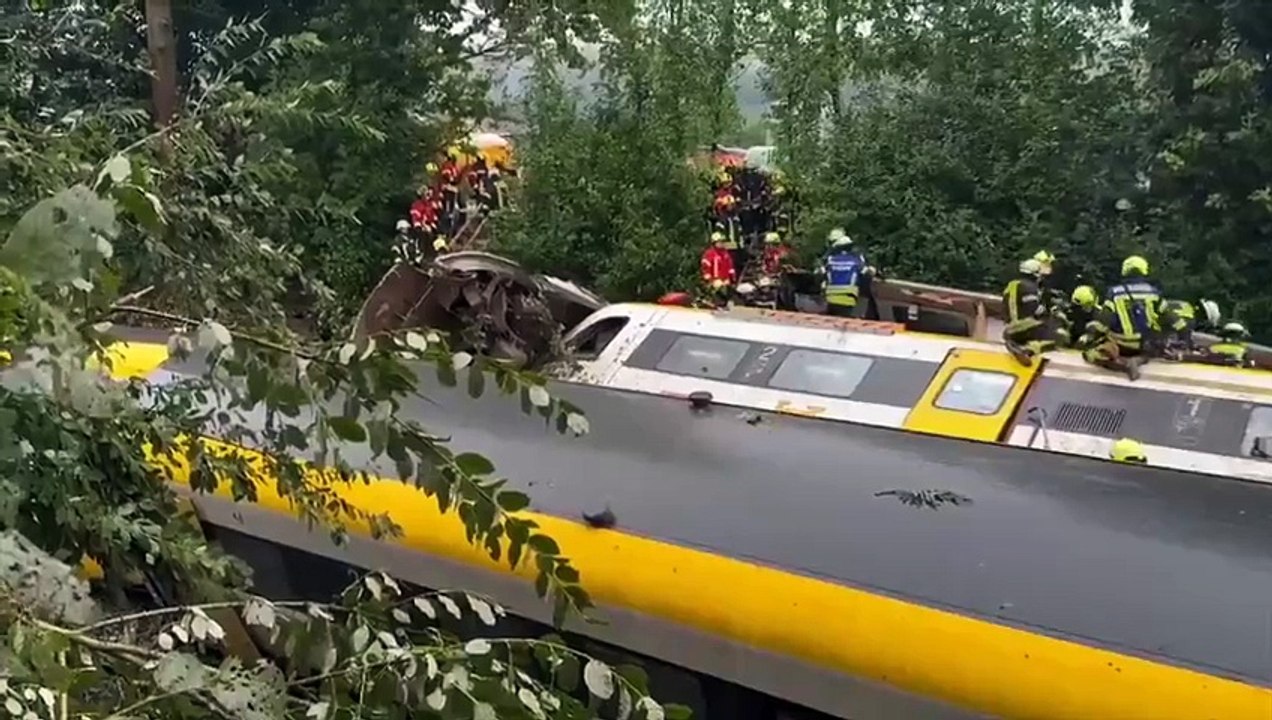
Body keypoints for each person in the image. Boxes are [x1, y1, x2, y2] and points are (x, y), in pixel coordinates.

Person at [1002, 258, 1060, 365]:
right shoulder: (1029, 287)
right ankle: (1028, 351)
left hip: (1009, 328)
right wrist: (1050, 309)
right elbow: (1035, 310)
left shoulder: (1012, 285)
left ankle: (1018, 343)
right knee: (1055, 335)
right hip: (1022, 326)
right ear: (1034, 274)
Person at [820, 229, 873, 318]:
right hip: (849, 299)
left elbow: (820, 273)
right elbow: (867, 273)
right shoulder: (856, 259)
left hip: (830, 299)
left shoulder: (830, 259)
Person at [700, 233, 736, 304]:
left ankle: (725, 303)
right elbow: (705, 267)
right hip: (714, 280)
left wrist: (732, 278)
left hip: (725, 279)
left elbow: (730, 267)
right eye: (720, 242)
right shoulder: (710, 253)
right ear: (714, 243)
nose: (722, 244)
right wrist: (710, 279)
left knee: (728, 291)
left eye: (723, 242)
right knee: (718, 290)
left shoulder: (726, 254)